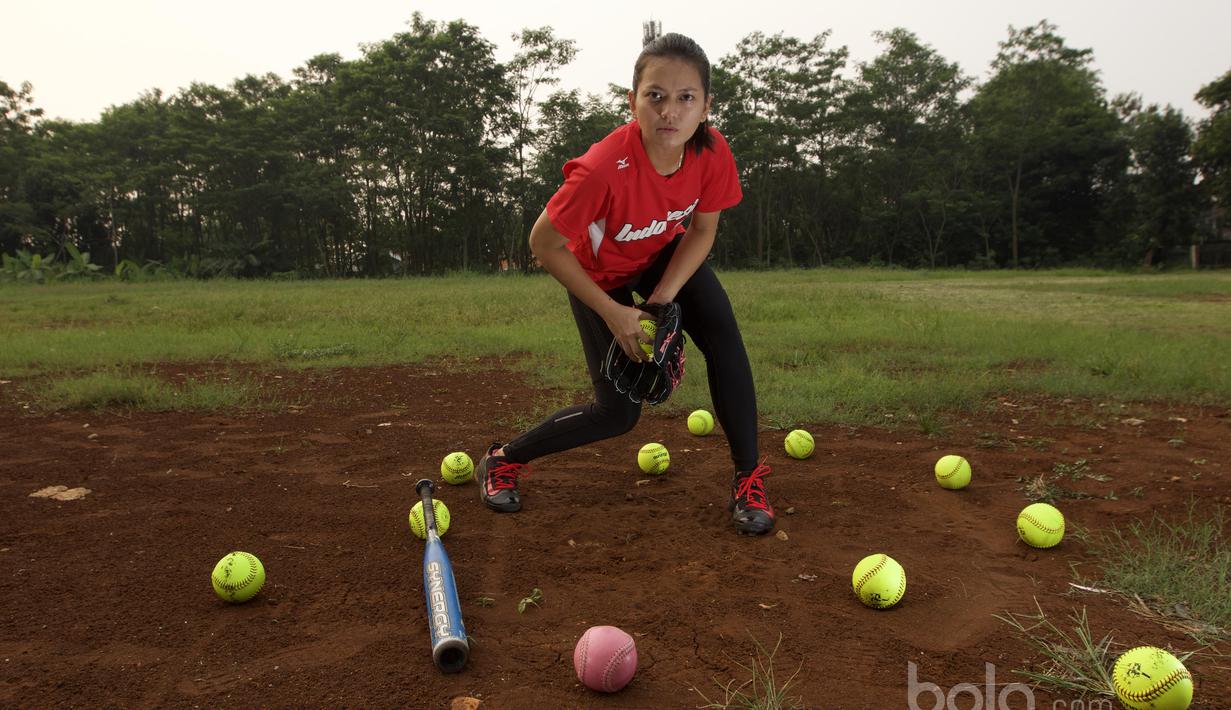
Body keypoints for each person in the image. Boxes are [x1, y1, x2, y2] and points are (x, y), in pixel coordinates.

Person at [476, 32, 773, 535]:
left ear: (706, 106)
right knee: (617, 414)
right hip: (597, 274)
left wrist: (661, 300)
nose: (669, 111)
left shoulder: (711, 151)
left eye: (686, 97)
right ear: (632, 101)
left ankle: (749, 479)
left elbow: (701, 231)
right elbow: (544, 244)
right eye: (655, 96)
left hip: (660, 256)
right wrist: (615, 314)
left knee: (725, 340)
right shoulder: (602, 169)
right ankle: (504, 459)